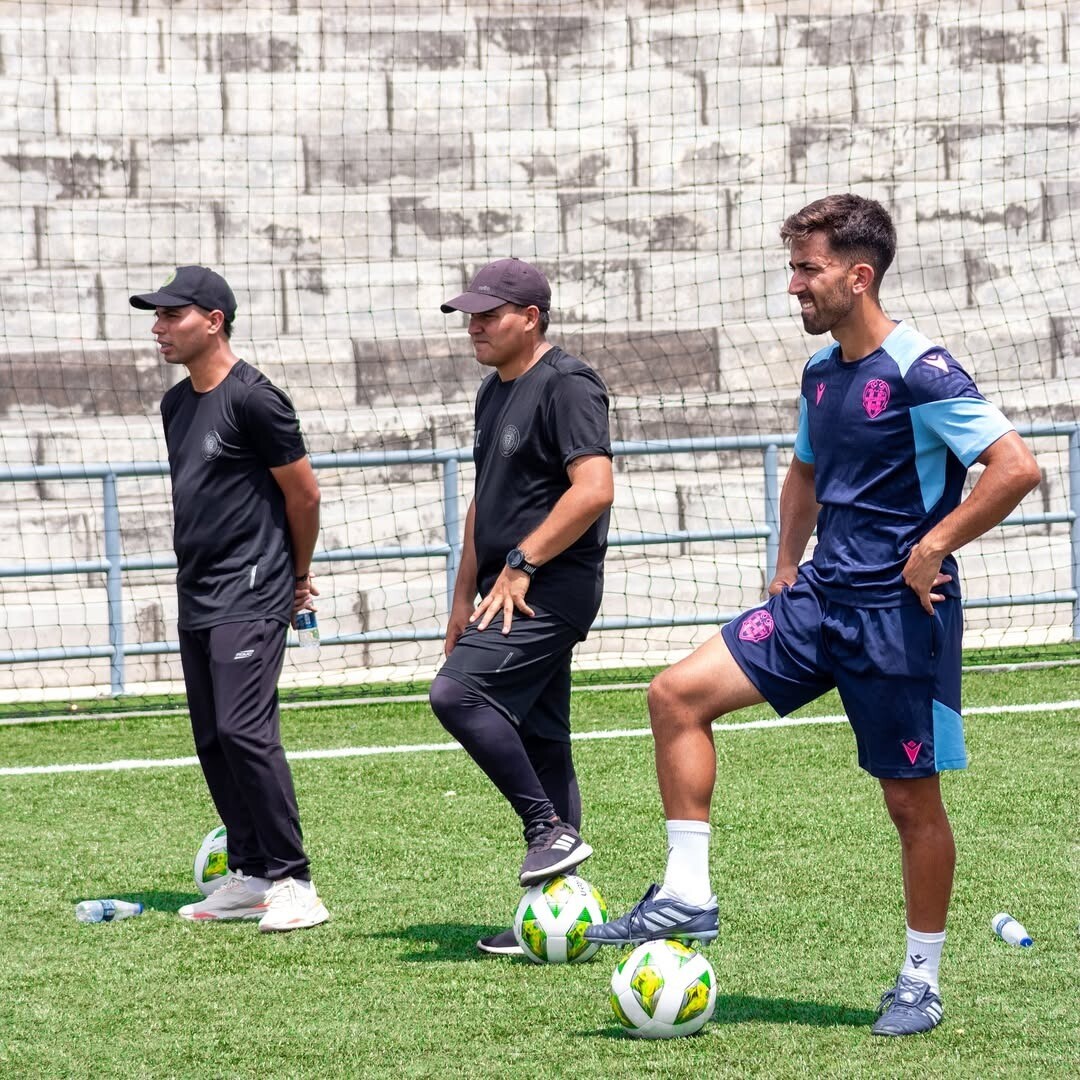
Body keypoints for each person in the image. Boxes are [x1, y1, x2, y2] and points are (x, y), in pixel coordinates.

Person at [586, 195, 1041, 1036]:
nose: (794, 285)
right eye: (793, 267)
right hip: (818, 601)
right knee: (674, 696)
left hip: (899, 619)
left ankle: (920, 980)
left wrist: (934, 545)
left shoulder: (923, 371)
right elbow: (802, 474)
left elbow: (1015, 468)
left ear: (857, 276)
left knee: (912, 806)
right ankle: (687, 895)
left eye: (808, 269)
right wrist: (786, 565)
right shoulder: (822, 372)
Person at [130, 265, 330, 933]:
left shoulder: (257, 399)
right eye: (155, 317)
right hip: (198, 589)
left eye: (171, 315)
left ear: (212, 320)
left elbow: (303, 495)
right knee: (214, 737)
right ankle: (248, 876)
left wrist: (296, 576)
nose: (158, 327)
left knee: (246, 730)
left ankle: (296, 880)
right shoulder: (175, 405)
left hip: (255, 585)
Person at [431, 258, 614, 955]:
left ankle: (548, 828)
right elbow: (488, 498)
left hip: (549, 588)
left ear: (530, 317)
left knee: (456, 695)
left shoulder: (567, 383)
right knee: (542, 738)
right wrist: (461, 593)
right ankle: (558, 922)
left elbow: (594, 488)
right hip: (501, 587)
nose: (474, 326)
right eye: (469, 314)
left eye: (488, 313)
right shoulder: (491, 391)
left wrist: (522, 563)